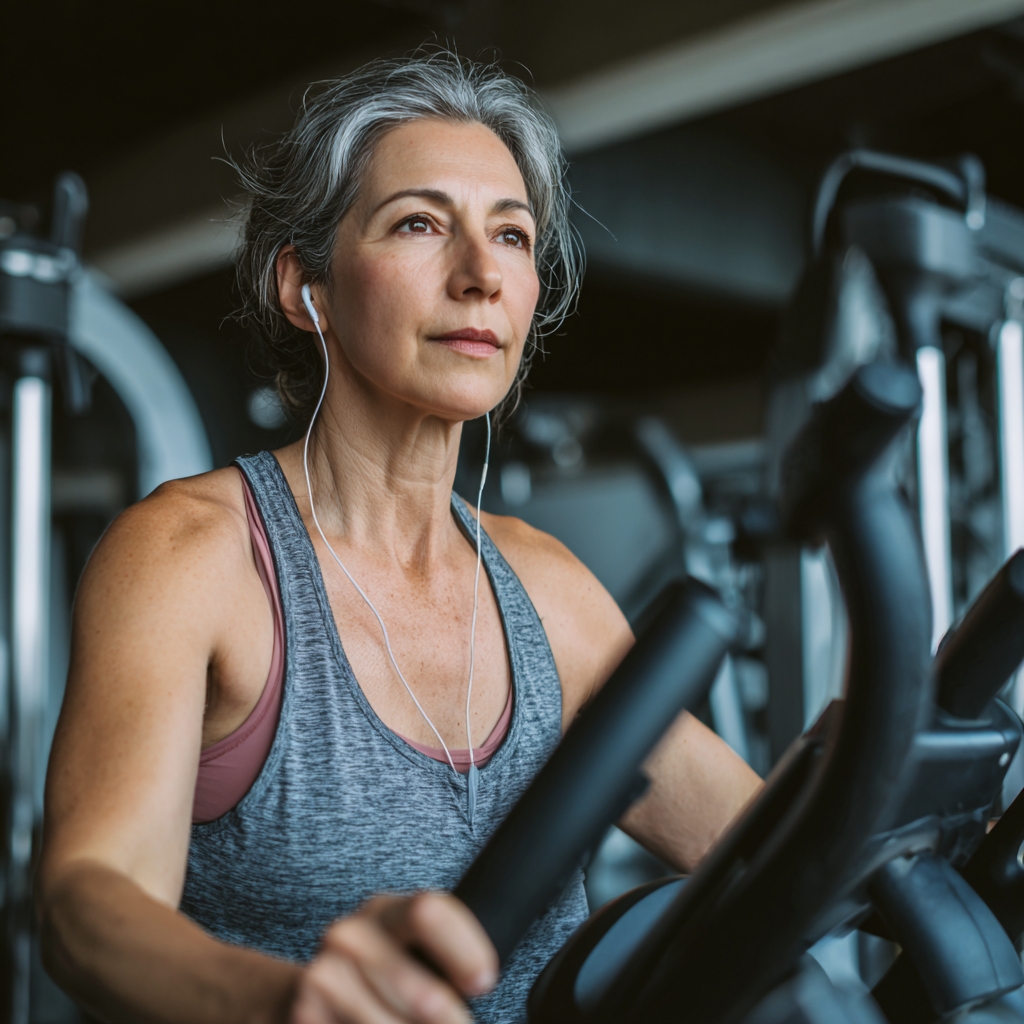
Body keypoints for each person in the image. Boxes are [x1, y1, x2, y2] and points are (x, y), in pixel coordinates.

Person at [37, 51, 761, 1024]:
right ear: (306, 286)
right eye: (420, 223)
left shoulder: (547, 591)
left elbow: (763, 849)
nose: (481, 276)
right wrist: (295, 1000)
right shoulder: (193, 556)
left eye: (511, 235)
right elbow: (85, 903)